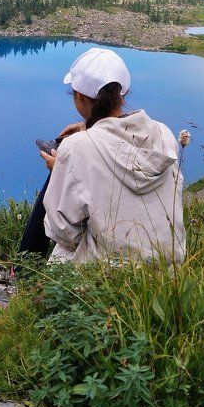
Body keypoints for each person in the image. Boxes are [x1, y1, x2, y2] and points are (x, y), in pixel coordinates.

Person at [19, 47, 185, 264]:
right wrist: (92, 130)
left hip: (104, 278)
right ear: (122, 93)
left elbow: (64, 234)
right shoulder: (163, 134)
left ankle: (24, 269)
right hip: (168, 272)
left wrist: (62, 170)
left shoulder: (77, 147)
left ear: (79, 98)